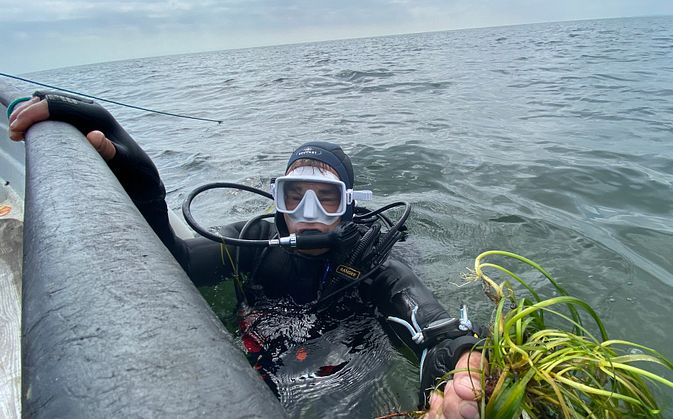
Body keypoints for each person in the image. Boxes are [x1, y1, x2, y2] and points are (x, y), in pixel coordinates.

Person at [8, 92, 485, 419]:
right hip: (267, 354)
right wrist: (143, 184)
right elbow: (172, 264)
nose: (310, 213)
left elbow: (436, 330)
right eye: (295, 195)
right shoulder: (251, 243)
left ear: (350, 204)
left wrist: (462, 360)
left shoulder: (371, 260)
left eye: (327, 198)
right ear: (277, 199)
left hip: (350, 363)